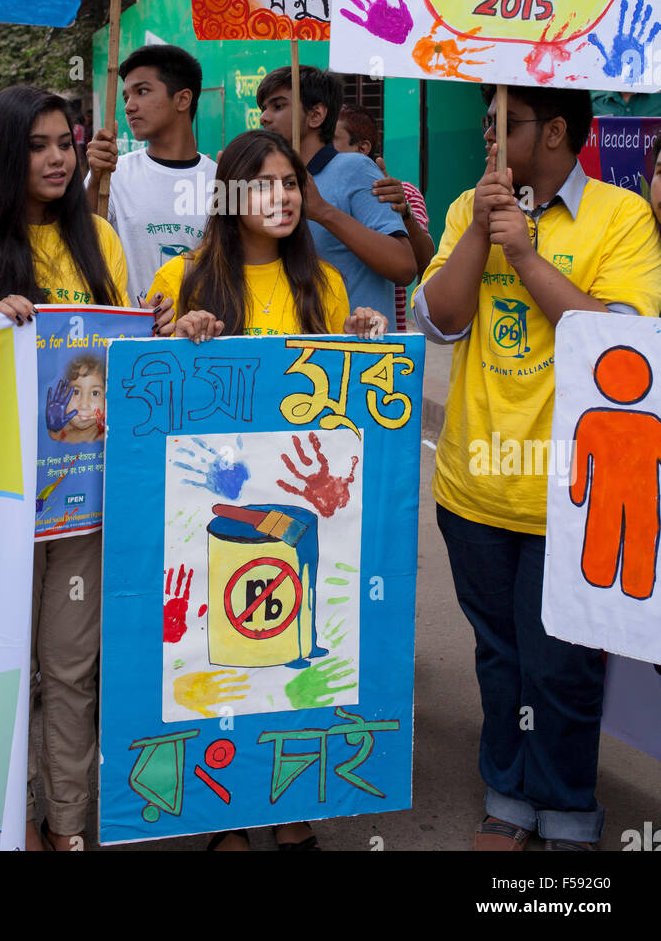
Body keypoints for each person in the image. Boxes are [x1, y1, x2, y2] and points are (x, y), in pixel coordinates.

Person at [414, 84, 661, 851]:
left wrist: (523, 250)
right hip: (474, 485)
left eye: (506, 126)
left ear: (556, 132)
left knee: (563, 668)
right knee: (501, 658)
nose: (490, 140)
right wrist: (484, 236)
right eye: (488, 125)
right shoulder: (467, 210)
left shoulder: (621, 218)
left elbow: (620, 343)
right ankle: (508, 793)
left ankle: (567, 806)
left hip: (577, 497)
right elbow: (441, 320)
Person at [148, 129, 386, 851]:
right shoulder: (179, 281)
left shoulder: (327, 284)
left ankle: (288, 805)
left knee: (293, 658)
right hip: (215, 519)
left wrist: (362, 339)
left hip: (304, 519)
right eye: (263, 184)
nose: (282, 197)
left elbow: (343, 404)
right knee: (220, 658)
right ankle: (230, 816)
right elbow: (146, 403)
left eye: (290, 183)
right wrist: (175, 338)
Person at [0, 85, 130, 854]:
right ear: (3, 153)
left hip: (85, 505)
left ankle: (67, 826)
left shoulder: (101, 238)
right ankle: (4, 825)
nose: (58, 156)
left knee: (72, 674)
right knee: (1, 674)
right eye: (37, 144)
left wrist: (156, 332)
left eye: (65, 141)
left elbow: (120, 352)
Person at [256, 67, 416, 323]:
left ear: (316, 115)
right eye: (263, 108)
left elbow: (403, 267)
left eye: (278, 106)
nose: (264, 117)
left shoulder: (355, 168)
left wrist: (324, 212)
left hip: (358, 350)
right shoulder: (273, 181)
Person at [86, 44, 217, 304]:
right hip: (127, 335)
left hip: (199, 337)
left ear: (182, 99)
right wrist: (94, 180)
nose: (129, 107)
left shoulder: (221, 181)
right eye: (126, 97)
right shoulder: (112, 174)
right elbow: (79, 239)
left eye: (142, 92)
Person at [334, 104, 435, 331]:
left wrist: (402, 212)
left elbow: (424, 264)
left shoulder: (403, 193)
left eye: (332, 140)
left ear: (363, 148)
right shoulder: (315, 194)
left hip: (383, 336)